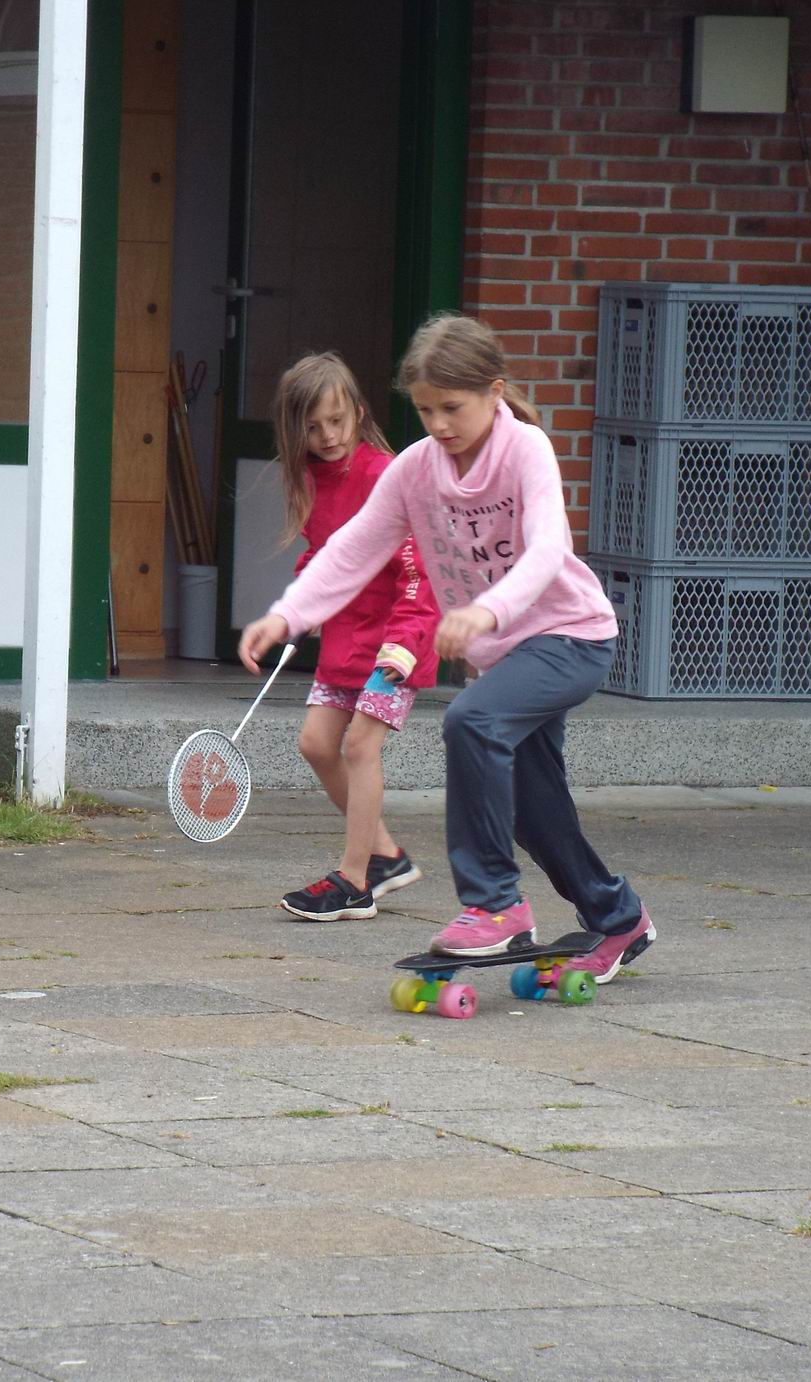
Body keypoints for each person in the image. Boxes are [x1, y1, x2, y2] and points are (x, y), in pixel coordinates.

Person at [241, 314, 653, 979]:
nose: (437, 424)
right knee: (533, 813)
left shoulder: (525, 450)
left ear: (494, 392)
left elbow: (549, 547)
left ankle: (494, 905)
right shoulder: (414, 470)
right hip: (510, 656)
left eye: (452, 408)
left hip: (570, 636)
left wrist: (488, 610)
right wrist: (288, 614)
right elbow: (352, 549)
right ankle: (617, 916)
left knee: (472, 721)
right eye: (425, 409)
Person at [269, 353, 439, 922]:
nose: (328, 436)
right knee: (316, 744)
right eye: (313, 427)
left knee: (361, 746)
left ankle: (355, 879)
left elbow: (419, 568)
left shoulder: (384, 476)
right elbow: (324, 556)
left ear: (359, 412)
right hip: (347, 639)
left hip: (397, 640)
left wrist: (406, 641)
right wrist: (305, 601)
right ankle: (386, 856)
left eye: (337, 420)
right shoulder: (312, 480)